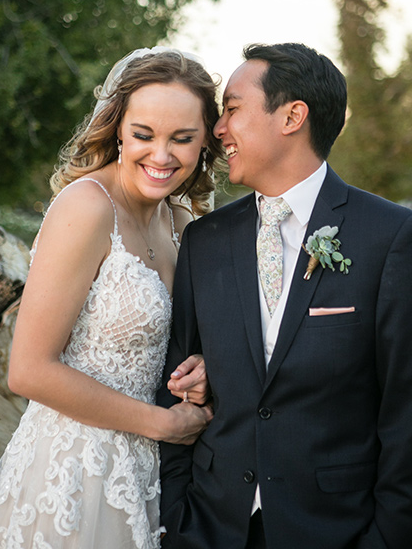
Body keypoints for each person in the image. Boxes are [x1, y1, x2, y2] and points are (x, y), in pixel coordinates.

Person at [0, 46, 224, 549]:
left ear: (206, 139)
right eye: (144, 135)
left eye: (182, 139)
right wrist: (163, 424)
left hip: (152, 477)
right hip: (73, 473)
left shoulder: (184, 225)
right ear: (117, 127)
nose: (161, 156)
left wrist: (205, 365)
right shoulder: (86, 208)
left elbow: (182, 339)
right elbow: (29, 369)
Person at [158, 42, 412, 549]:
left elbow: (404, 413)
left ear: (293, 115)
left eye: (231, 109)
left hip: (334, 529)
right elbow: (177, 380)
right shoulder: (205, 241)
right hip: (209, 527)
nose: (218, 129)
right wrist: (176, 515)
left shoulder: (389, 236)